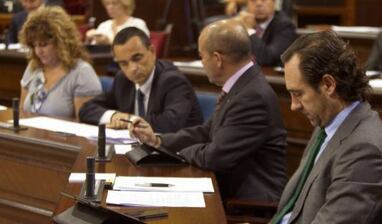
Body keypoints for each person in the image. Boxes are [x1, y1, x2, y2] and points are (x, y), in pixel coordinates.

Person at [128, 19, 287, 202]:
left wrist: (178, 154)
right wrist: (157, 140)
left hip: (250, 203)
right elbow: (207, 131)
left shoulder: (252, 97)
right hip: (229, 190)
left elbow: (215, 156)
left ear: (218, 59)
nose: (202, 63)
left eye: (202, 56)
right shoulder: (245, 85)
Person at [270, 31, 382, 224]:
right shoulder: (327, 124)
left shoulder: (364, 149)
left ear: (328, 85)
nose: (293, 106)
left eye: (298, 94)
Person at [79, 27, 203, 133]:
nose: (132, 69)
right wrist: (114, 116)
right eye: (123, 63)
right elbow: (86, 109)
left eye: (137, 58)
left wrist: (128, 120)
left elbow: (169, 124)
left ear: (152, 52)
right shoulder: (122, 79)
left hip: (181, 155)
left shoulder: (172, 81)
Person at [19, 6, 102, 119]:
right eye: (34, 45)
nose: (38, 51)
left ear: (61, 43)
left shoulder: (82, 73)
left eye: (44, 44)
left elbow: (84, 124)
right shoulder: (33, 67)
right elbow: (22, 112)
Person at [236, 0, 296, 66]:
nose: (258, 4)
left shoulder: (285, 26)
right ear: (247, 4)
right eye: (253, 0)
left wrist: (249, 30)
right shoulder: (241, 23)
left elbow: (267, 58)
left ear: (274, 2)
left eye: (264, 0)